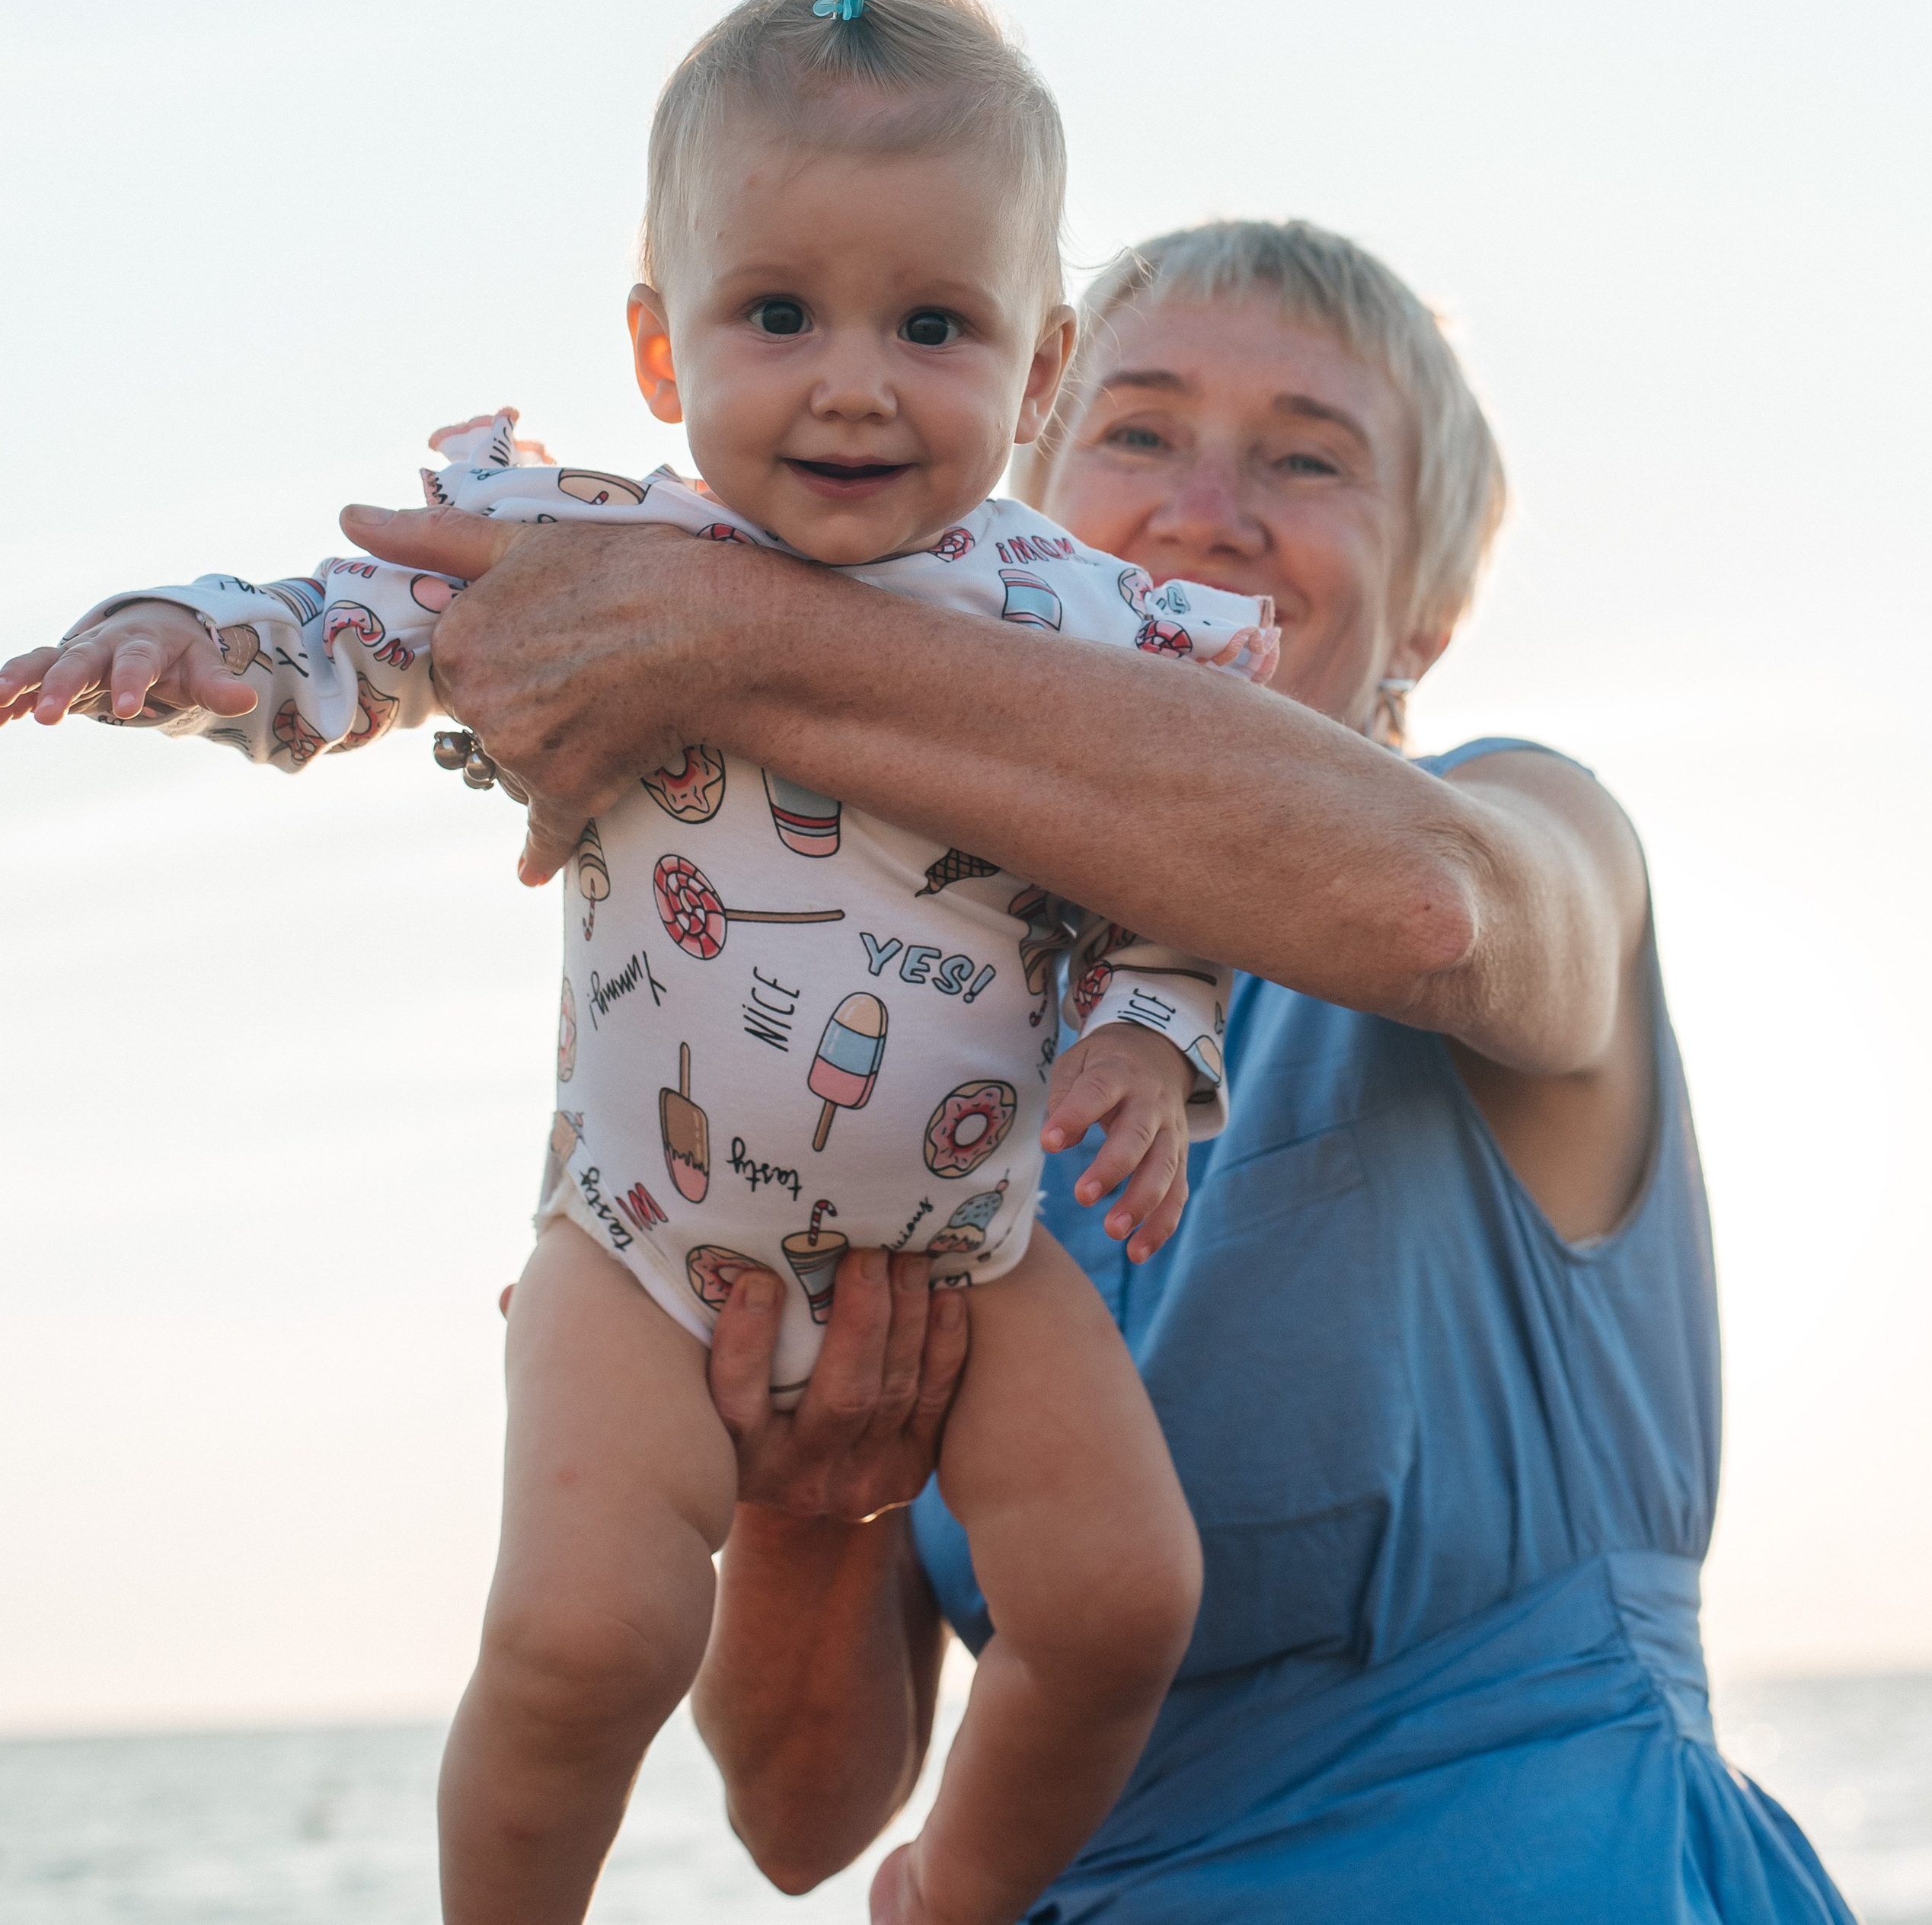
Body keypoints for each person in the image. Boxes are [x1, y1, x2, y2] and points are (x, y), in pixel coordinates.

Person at [3, 0, 1288, 1925]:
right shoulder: (597, 556)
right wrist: (194, 638)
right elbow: (367, 620)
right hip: (643, 1237)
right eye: (778, 314)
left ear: (1036, 360)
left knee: (1129, 1591)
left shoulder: (1080, 622)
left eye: (932, 325)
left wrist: (1153, 1027)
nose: (854, 382)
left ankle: (957, 1897)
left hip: (966, 1235)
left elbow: (1188, 854)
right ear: (654, 338)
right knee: (586, 1640)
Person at [338, 215, 1851, 1923]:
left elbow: (1436, 911)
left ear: (1424, 608)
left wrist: (729, 637)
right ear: (1015, 530)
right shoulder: (924, 1048)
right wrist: (805, 1494)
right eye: (1134, 433)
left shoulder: (1530, 830)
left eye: (1306, 456)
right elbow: (800, 1814)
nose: (1208, 506)